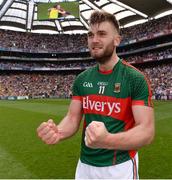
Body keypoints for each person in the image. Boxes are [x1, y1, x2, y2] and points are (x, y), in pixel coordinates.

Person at [37, 10, 155, 179]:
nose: (94, 40)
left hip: (119, 167)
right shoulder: (82, 79)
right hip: (85, 166)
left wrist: (107, 140)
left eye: (102, 34)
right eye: (90, 35)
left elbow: (146, 131)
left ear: (117, 40)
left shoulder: (135, 78)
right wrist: (58, 132)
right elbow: (72, 118)